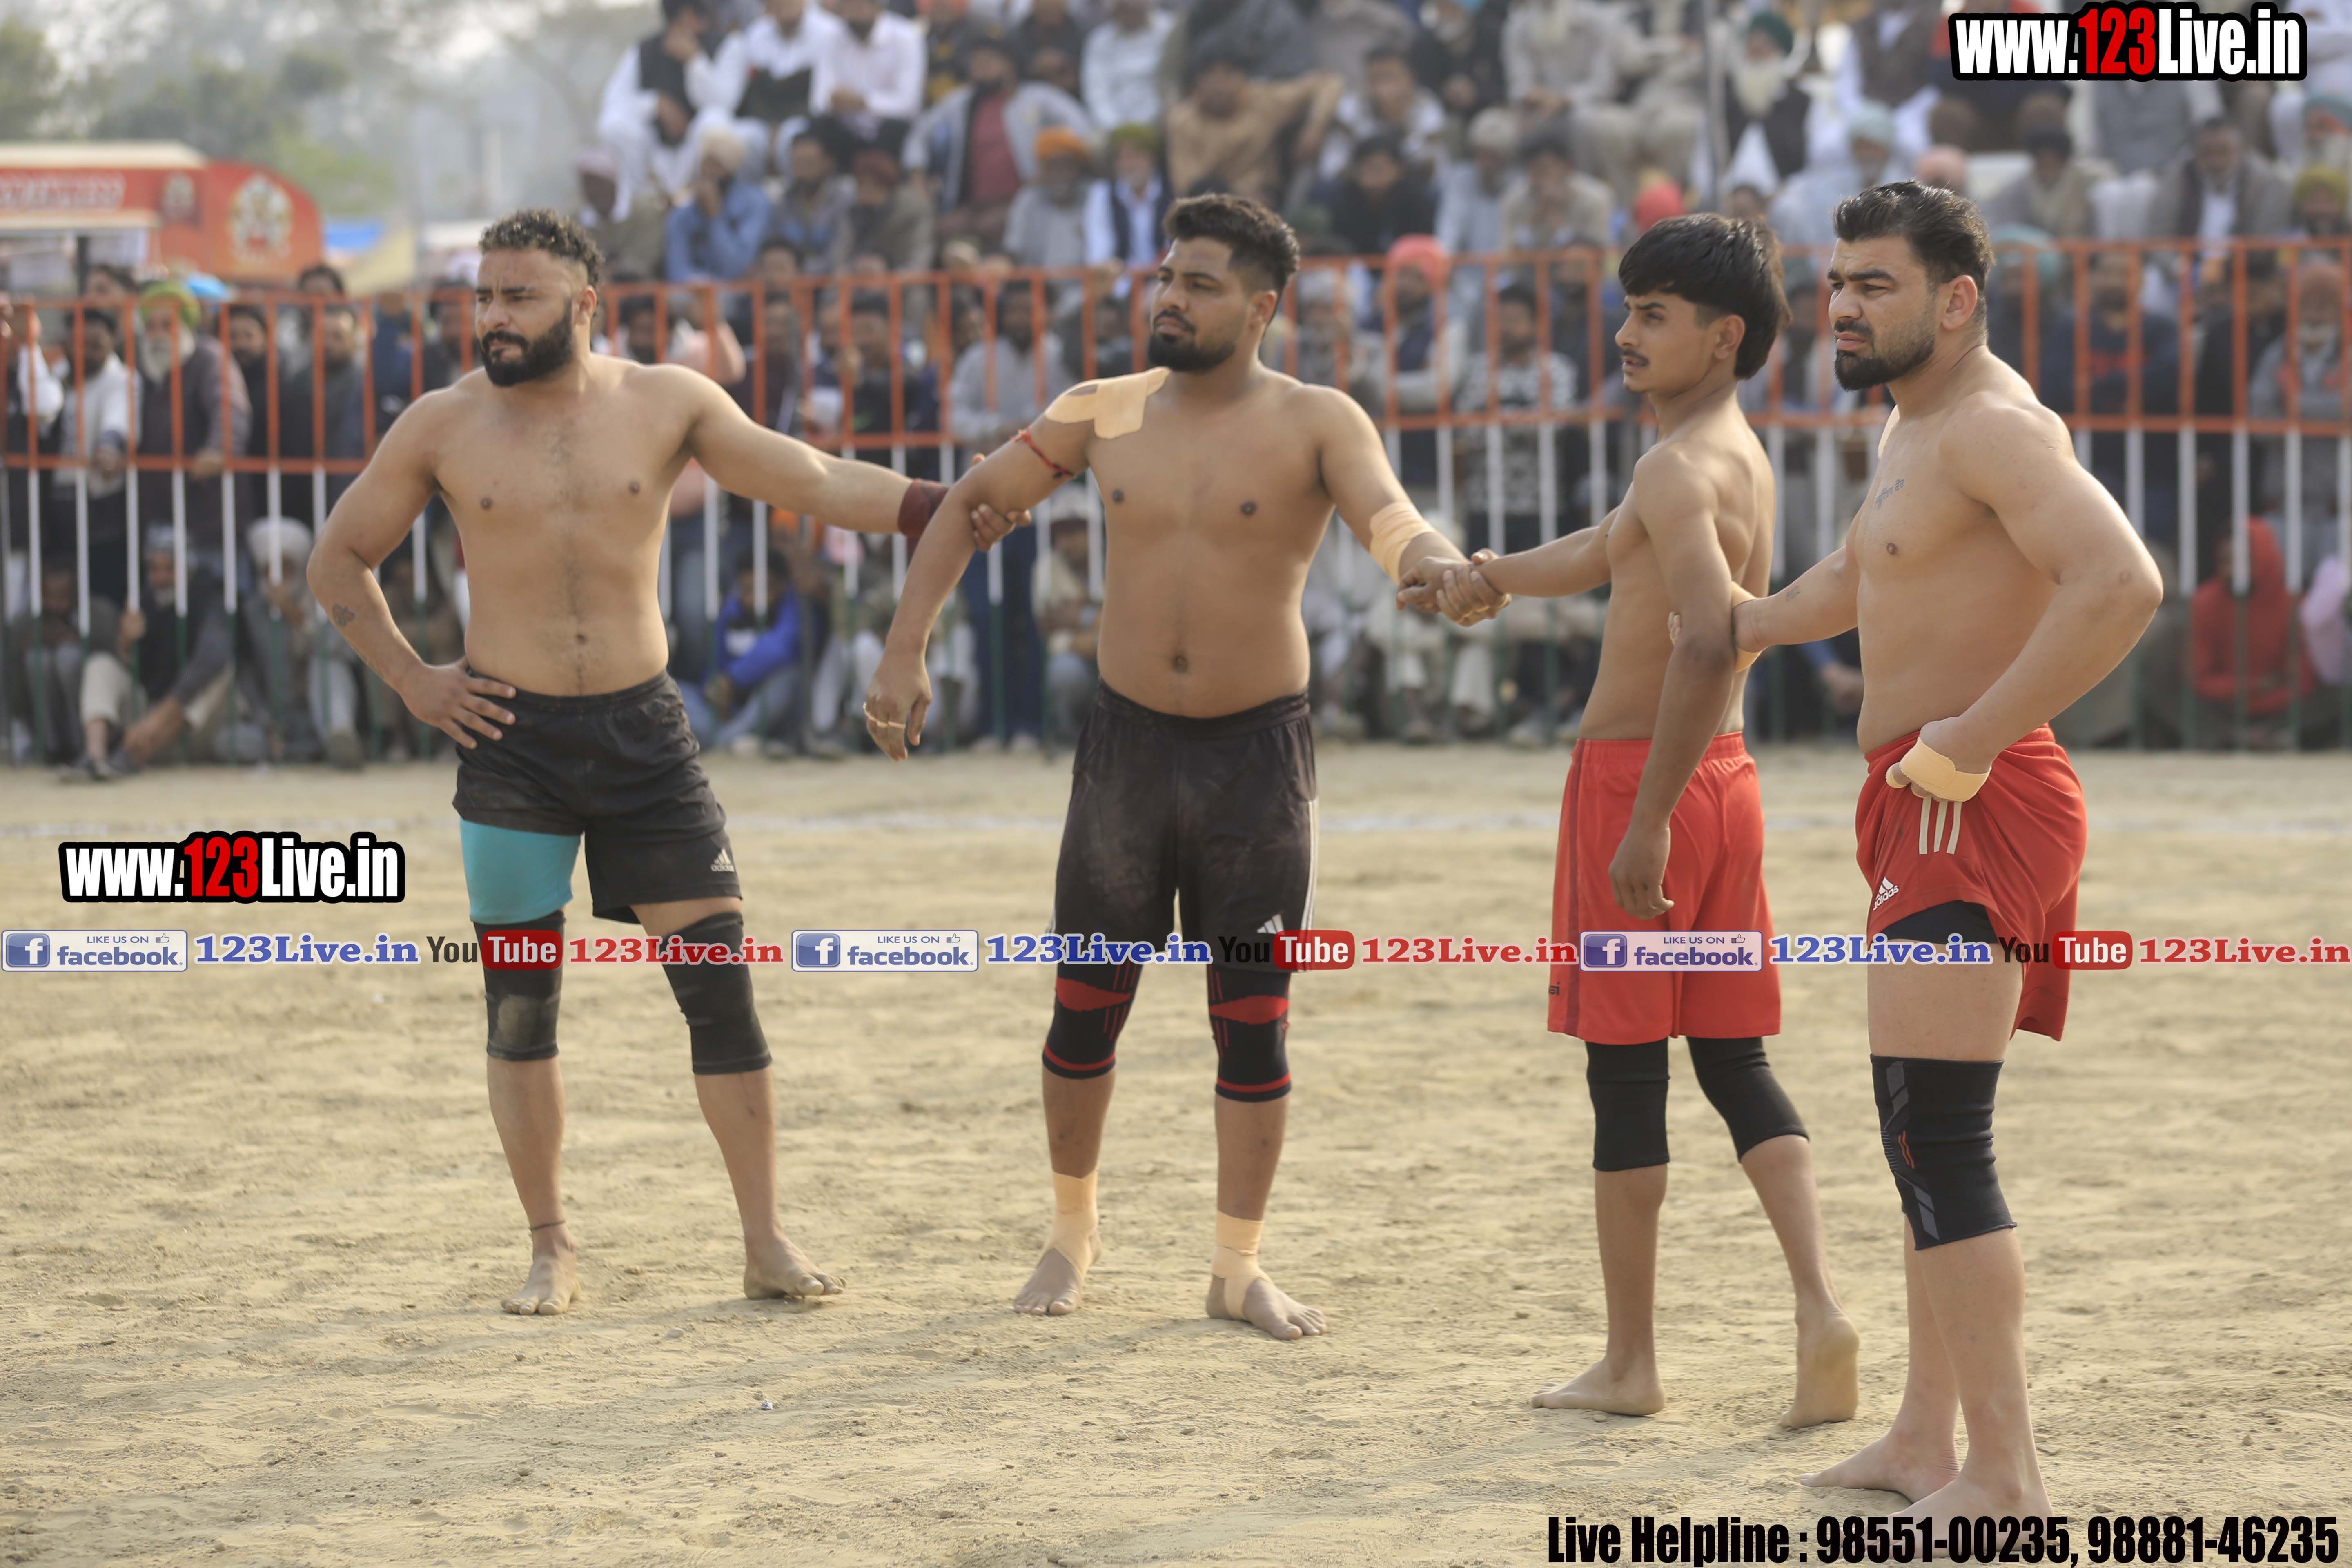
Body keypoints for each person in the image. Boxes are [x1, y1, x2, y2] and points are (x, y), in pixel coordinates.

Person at [305, 209, 1025, 1318]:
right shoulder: (442, 424)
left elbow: (811, 479)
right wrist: (413, 680)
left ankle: (765, 1242)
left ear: (585, 306)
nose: (494, 317)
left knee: (720, 992)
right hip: (508, 743)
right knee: (519, 1009)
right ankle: (551, 1246)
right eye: (484, 297)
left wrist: (939, 506)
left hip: (643, 736)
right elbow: (338, 559)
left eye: (519, 297)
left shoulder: (668, 401)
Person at [861, 193, 1505, 1339]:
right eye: (1166, 277)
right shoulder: (1102, 410)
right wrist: (904, 648)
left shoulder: (1317, 419)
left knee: (1253, 1019)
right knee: (1083, 1008)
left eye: (1200, 284)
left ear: (1261, 308)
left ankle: (1236, 1266)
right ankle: (1071, 1233)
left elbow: (1391, 520)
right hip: (1127, 747)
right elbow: (972, 503)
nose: (1169, 298)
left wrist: (1440, 567)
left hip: (1256, 760)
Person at [1728, 183, 2161, 1516]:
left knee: (1939, 1141)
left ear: (1957, 299)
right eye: (1837, 282)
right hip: (1928, 798)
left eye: (1876, 284)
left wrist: (1971, 735)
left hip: (1970, 798)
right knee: (1915, 1132)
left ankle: (2008, 1475)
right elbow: (1867, 576)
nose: (1842, 307)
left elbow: (2123, 581)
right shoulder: (1914, 423)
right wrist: (1745, 622)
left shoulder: (1990, 427)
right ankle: (1925, 1440)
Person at [1410, 215, 1859, 1426]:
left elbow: (1705, 637)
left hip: (1641, 780)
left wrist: (1647, 816)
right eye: (1629, 309)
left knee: (1624, 1077)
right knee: (1734, 1060)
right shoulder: (1729, 454)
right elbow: (1610, 554)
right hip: (1729, 780)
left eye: (1654, 314)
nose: (1626, 333)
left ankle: (1630, 1363)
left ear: (1723, 337)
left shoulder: (1671, 466)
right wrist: (1484, 575)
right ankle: (1819, 1306)